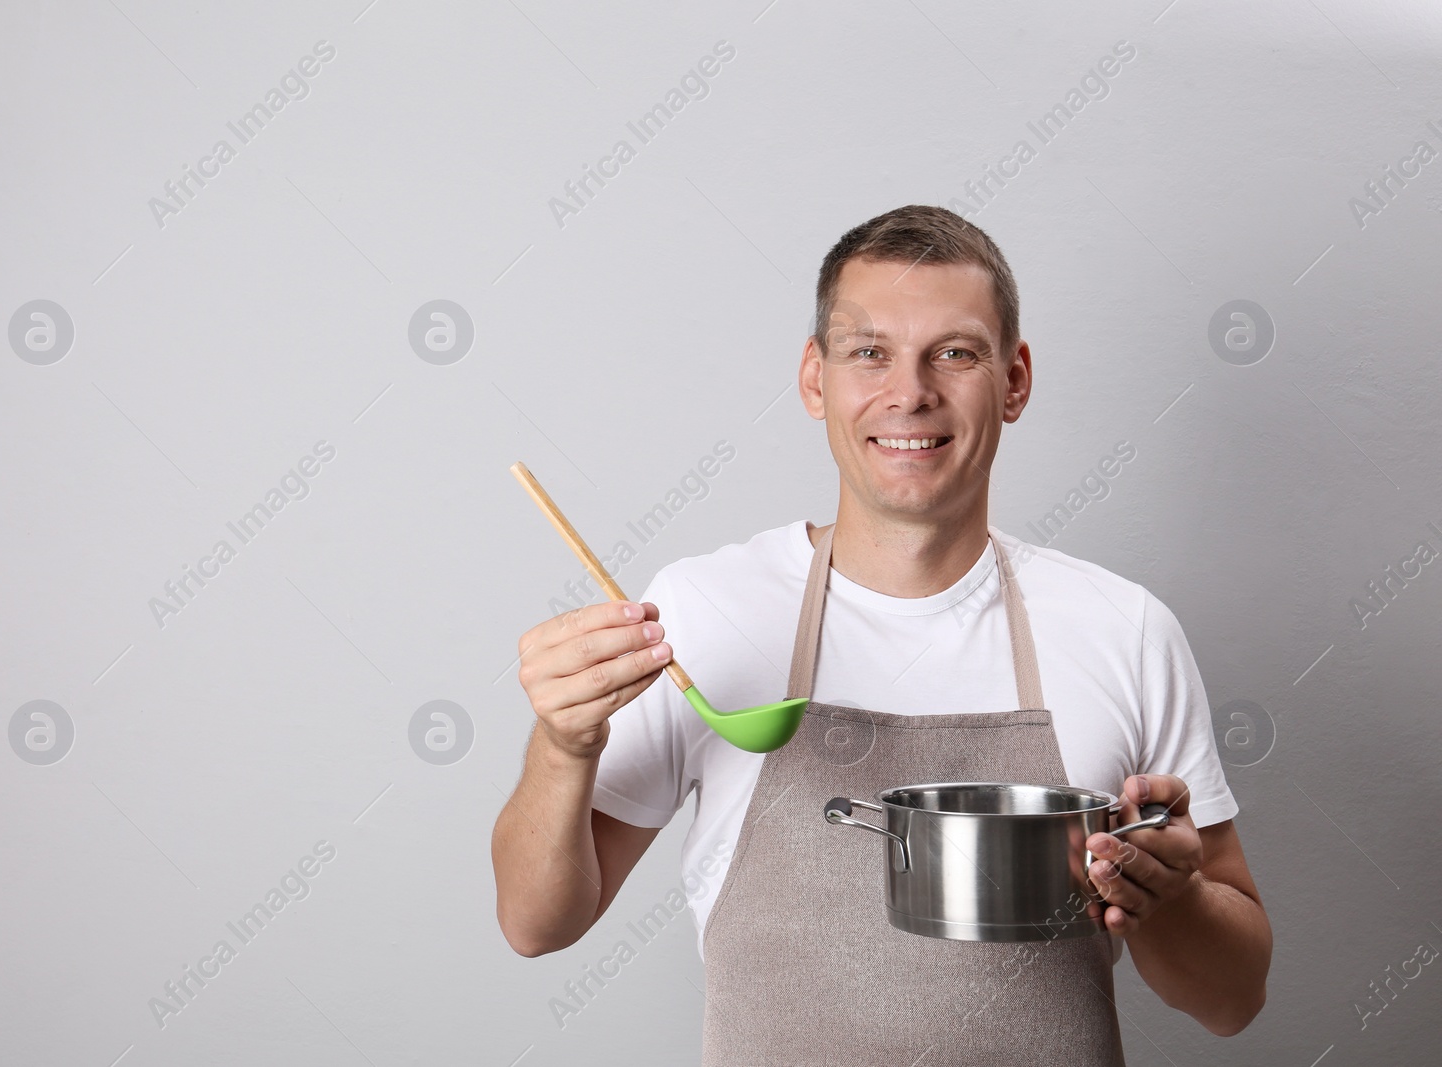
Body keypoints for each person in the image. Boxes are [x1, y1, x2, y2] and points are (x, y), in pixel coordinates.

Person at [491, 204, 1271, 1064]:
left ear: (1014, 380)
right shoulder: (703, 611)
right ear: (815, 380)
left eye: (955, 352)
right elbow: (535, 922)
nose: (911, 392)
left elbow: (1232, 1000)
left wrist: (1174, 899)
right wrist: (564, 744)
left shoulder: (1123, 629)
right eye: (870, 352)